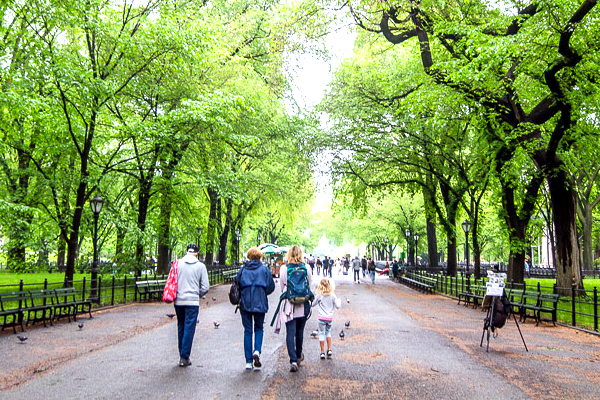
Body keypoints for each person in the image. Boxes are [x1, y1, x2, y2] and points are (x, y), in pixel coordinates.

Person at [275, 245, 313, 372]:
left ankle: (292, 360)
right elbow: (310, 284)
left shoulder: (284, 268)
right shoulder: (306, 267)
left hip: (289, 304)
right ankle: (298, 356)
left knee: (290, 332)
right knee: (300, 331)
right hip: (303, 302)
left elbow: (282, 286)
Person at [237, 247, 275, 371]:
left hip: (245, 302)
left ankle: (248, 361)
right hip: (260, 302)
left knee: (247, 330)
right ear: (260, 257)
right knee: (259, 328)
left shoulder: (243, 270)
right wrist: (263, 293)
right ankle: (257, 350)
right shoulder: (264, 269)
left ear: (248, 257)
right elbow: (270, 286)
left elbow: (237, 283)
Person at [174, 243, 209, 367]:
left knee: (181, 325)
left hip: (179, 300)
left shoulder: (177, 264)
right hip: (192, 301)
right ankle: (184, 357)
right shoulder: (200, 266)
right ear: (197, 253)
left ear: (186, 251)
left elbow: (173, 281)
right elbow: (205, 287)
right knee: (189, 327)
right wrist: (197, 294)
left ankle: (182, 354)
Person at [312, 278, 341, 359]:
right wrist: (339, 301)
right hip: (329, 318)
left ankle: (322, 352)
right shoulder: (332, 295)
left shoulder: (319, 295)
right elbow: (338, 306)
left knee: (321, 333)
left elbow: (312, 304)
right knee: (328, 332)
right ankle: (329, 349)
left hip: (321, 317)